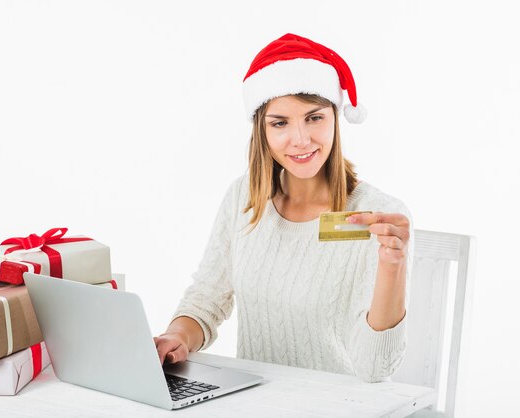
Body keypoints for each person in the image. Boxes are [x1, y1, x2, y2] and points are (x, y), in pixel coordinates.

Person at [154, 33, 414, 383]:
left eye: (314, 118)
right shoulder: (244, 198)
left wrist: (392, 266)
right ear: (261, 130)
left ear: (336, 118)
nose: (301, 139)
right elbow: (206, 299)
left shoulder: (377, 214)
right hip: (257, 402)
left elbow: (375, 369)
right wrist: (177, 337)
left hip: (340, 405)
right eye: (280, 123)